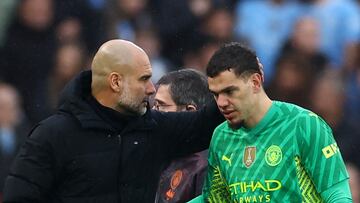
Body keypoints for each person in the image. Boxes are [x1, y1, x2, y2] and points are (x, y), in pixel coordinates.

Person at [3, 39, 224, 202]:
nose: (151, 89)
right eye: (144, 79)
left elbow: (207, 122)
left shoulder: (154, 129)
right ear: (116, 82)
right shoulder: (53, 135)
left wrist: (238, 83)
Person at [190, 42, 352, 202]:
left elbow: (337, 194)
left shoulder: (304, 125)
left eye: (229, 91)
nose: (221, 103)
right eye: (216, 94)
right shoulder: (221, 137)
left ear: (255, 82)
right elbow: (213, 200)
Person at [153, 69, 213, 203]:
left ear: (190, 111)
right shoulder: (160, 154)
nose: (154, 115)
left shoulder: (207, 166)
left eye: (160, 106)